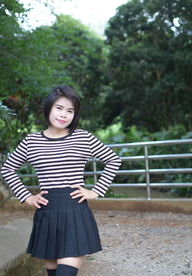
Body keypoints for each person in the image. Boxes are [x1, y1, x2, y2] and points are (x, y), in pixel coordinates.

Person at [1, 85, 122, 276]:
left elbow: (113, 159)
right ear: (49, 108)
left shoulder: (83, 138)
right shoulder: (31, 142)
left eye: (70, 111)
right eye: (59, 108)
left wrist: (96, 191)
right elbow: (7, 168)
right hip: (47, 213)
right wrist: (27, 197)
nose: (64, 114)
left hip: (75, 211)